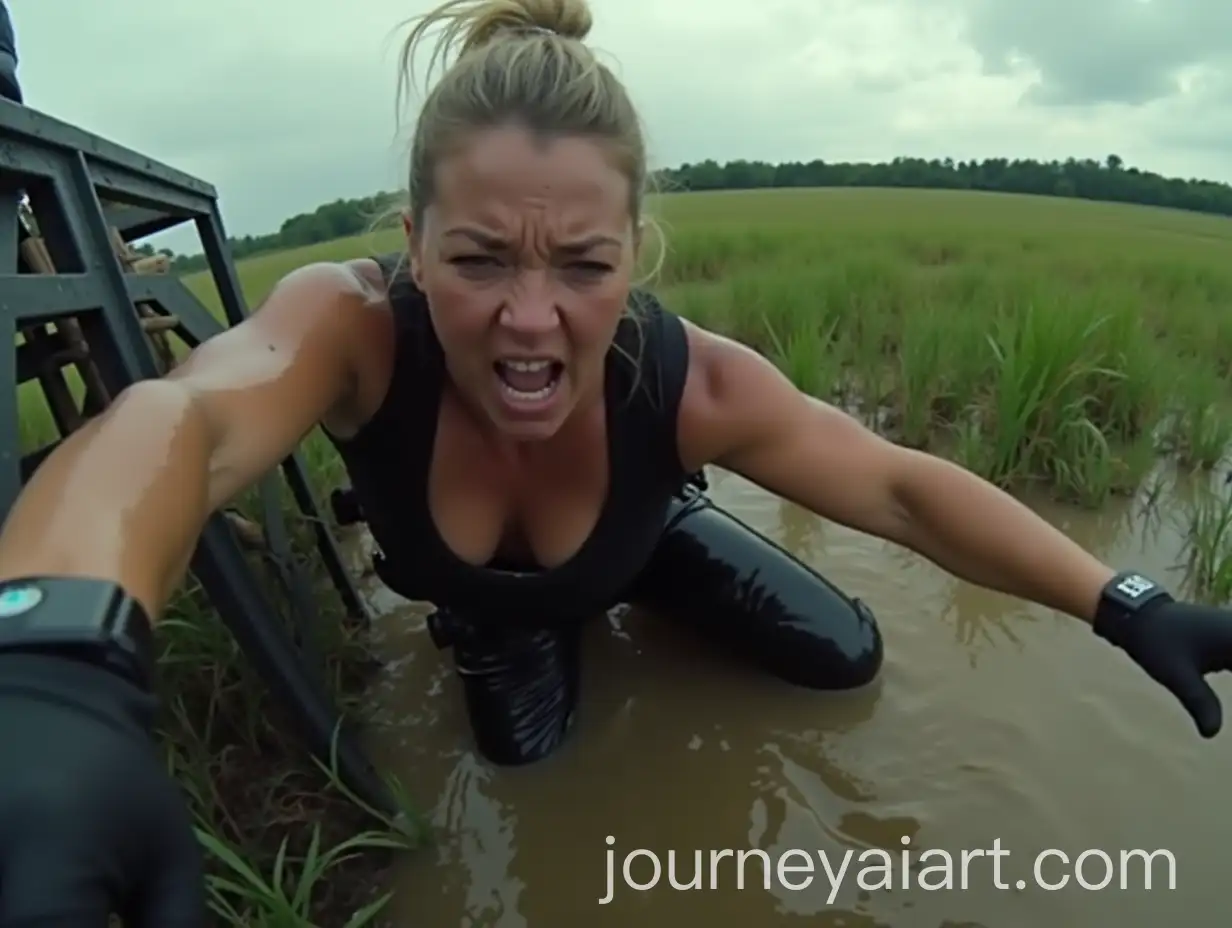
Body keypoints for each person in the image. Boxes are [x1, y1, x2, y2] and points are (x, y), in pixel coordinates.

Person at [1, 0, 1231, 922]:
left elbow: (898, 485)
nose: (530, 318)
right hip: (496, 605)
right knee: (532, 776)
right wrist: (55, 663)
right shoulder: (354, 331)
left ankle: (645, 565)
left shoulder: (688, 378)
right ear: (413, 243)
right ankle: (507, 624)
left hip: (644, 544)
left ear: (633, 255)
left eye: (581, 267)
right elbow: (184, 425)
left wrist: (1121, 601)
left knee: (847, 659)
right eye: (480, 259)